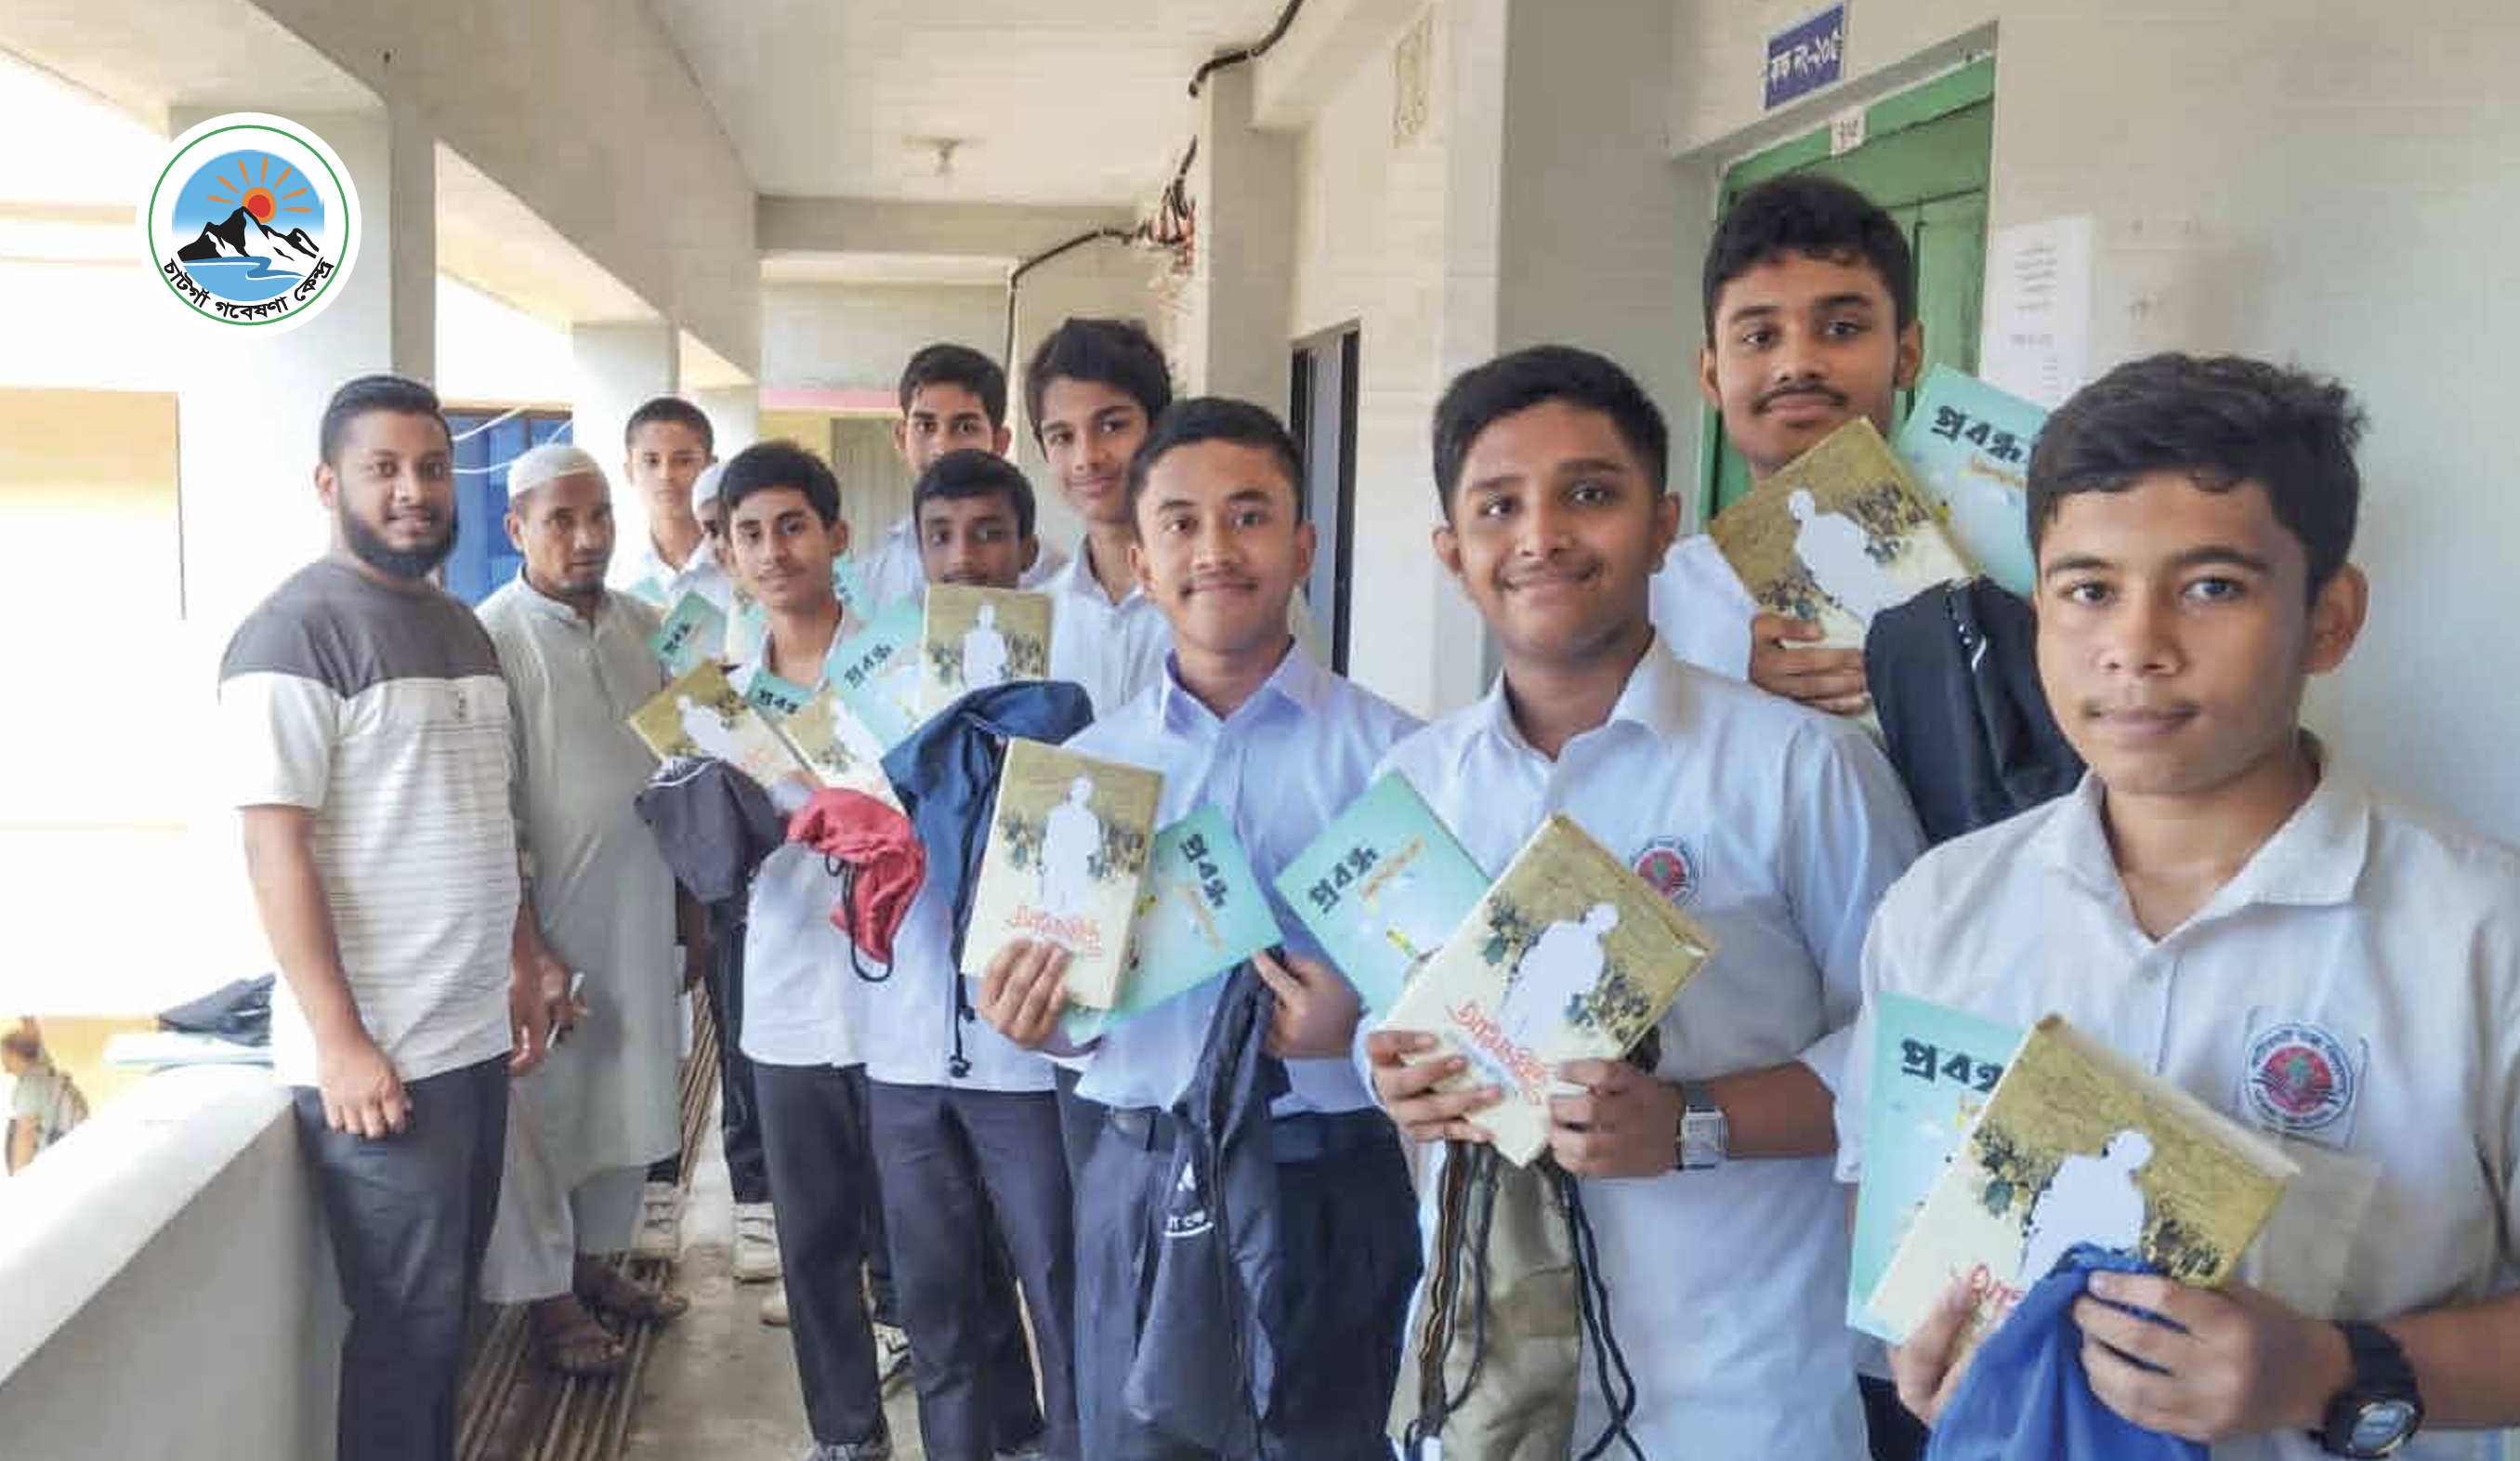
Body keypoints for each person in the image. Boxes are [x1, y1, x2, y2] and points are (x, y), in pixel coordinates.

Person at [1844, 355, 2520, 1460]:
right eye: (2088, 590)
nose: (2135, 648)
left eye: (2211, 588)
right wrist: (1928, 1339)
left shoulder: (2482, 934)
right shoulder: (1940, 910)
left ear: (2329, 619)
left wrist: (2334, 1371)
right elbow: (1886, 1209)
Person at [1362, 345, 1923, 1457]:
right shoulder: (1412, 786)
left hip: (1734, 1392)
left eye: (1589, 494)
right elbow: (1390, 1030)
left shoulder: (1800, 767)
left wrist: (1691, 1122)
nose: (1542, 536)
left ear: (1664, 525)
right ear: (1451, 552)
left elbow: (1906, 1066)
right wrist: (1397, 1080)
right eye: (1498, 506)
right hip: (1479, 1382)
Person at [978, 397, 1424, 1459]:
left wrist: (1362, 1022)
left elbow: (1446, 990)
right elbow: (1061, 1017)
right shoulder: (1086, 775)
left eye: (1249, 516)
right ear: (1140, 562)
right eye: (1180, 523)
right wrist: (1037, 1018)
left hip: (1329, 1176)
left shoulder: (1401, 761)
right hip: (1142, 1170)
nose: (1215, 549)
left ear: (1303, 547)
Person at [221, 373, 562, 1461]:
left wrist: (525, 956)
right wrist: (340, 1040)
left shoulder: (460, 626)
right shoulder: (291, 634)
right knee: (407, 1335)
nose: (413, 490)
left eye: (430, 467)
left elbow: (486, 815)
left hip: (471, 1036)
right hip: (383, 1060)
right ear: (330, 484)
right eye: (383, 469)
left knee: (449, 1321)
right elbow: (273, 848)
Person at [862, 446, 1077, 1461]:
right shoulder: (878, 692)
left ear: (1028, 548)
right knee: (938, 1304)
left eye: (988, 534)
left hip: (1031, 1054)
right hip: (904, 1047)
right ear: (915, 550)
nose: (964, 558)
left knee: (1060, 1289)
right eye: (940, 536)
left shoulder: (1074, 692)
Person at [475, 443, 691, 1375]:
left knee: (627, 1092)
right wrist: (528, 950)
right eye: (560, 520)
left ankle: (595, 1264)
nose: (587, 536)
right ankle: (550, 1303)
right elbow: (494, 808)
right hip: (550, 923)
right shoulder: (489, 640)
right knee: (549, 1113)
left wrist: (691, 912)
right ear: (517, 528)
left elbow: (687, 770)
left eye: (599, 515)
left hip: (638, 912)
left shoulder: (650, 626)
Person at [716, 440, 903, 1461]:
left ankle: (962, 1414)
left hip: (898, 991)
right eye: (750, 533)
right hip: (786, 991)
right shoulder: (720, 699)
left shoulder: (895, 670)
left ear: (837, 536)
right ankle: (846, 1434)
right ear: (729, 554)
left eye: (793, 526)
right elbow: (710, 861)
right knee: (814, 1236)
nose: (773, 550)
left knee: (920, 1229)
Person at [1673, 173, 1926, 713]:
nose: (1797, 365)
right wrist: (1732, 688)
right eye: (1760, 337)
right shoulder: (1653, 604)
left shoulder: (2015, 570)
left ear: (1906, 355)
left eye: (1841, 328)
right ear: (1712, 377)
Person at [855, 343, 1065, 611]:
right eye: (925, 426)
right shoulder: (869, 583)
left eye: (965, 427)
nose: (942, 447)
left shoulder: (1057, 582)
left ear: (1000, 443)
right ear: (901, 438)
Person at [3, 1022, 84, 1174]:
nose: (3, 1062)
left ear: (14, 1054)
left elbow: (26, 1133)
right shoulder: (48, 1075)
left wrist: (19, 1179)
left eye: (4, 1054)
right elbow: (34, 1045)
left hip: (43, 1171)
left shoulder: (32, 1084)